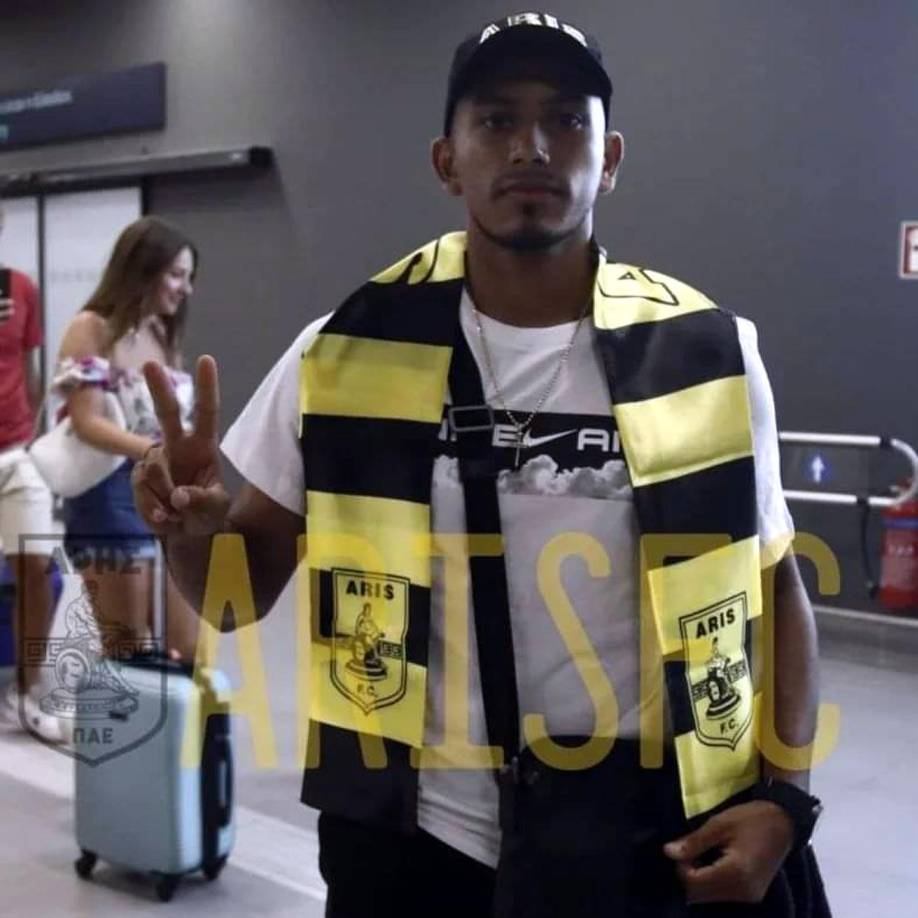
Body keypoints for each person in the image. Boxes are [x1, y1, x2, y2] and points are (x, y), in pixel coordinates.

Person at [132, 14, 829, 917]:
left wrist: (785, 798)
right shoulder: (345, 355)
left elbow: (779, 596)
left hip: (662, 834)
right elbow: (236, 594)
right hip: (416, 840)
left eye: (565, 121)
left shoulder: (706, 354)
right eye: (496, 121)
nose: (532, 146)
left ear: (609, 155)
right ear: (447, 160)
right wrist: (191, 536)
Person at [53, 216, 200, 664]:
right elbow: (86, 422)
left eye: (189, 277)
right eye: (176, 275)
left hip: (168, 496)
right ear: (143, 270)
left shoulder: (161, 334)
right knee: (129, 649)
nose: (185, 288)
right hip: (109, 495)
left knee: (187, 648)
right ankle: (116, 732)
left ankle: (181, 734)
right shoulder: (91, 328)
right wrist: (157, 451)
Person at [0, 200, 64, 743]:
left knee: (37, 570)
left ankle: (26, 692)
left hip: (17, 451)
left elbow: (30, 364)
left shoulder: (20, 288)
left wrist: (37, 432)